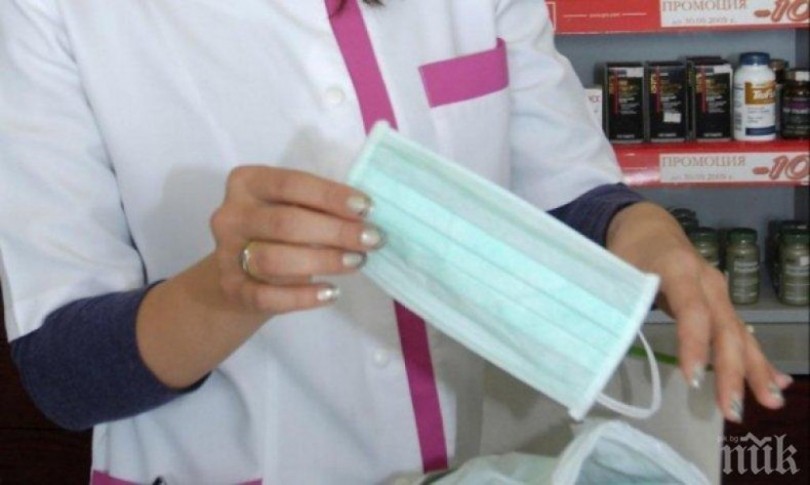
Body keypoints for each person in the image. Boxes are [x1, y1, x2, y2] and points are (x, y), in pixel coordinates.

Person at [0, 0, 791, 482]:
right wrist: (223, 290)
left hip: (493, 463)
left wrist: (647, 236)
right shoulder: (56, 12)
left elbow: (565, 192)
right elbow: (63, 372)